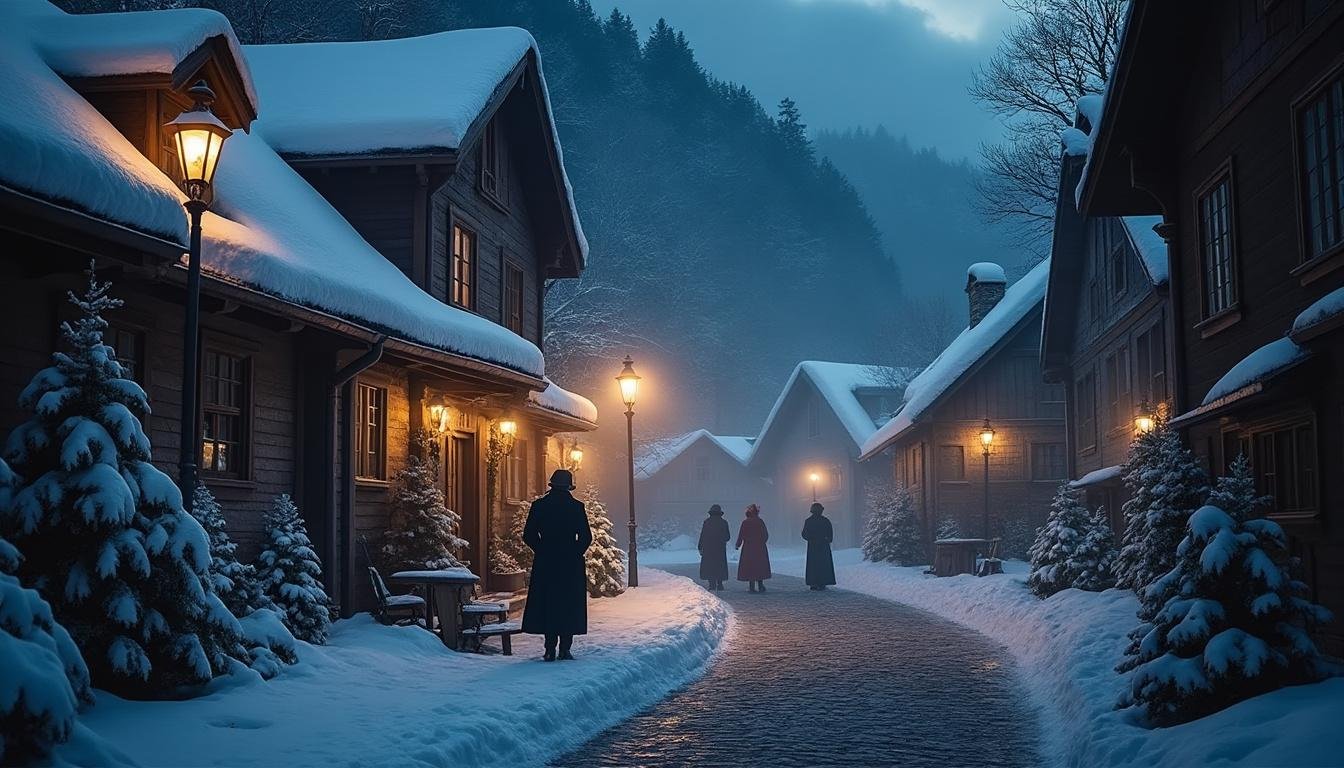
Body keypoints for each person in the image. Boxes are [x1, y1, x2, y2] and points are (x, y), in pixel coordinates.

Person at [521, 469, 592, 661]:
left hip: (546, 562)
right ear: (569, 486)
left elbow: (528, 534)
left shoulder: (539, 506)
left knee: (548, 603)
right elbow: (586, 536)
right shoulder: (576, 507)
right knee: (568, 604)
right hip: (570, 564)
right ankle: (565, 649)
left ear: (552, 485)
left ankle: (549, 648)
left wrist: (541, 549)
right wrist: (575, 553)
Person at [735, 504, 771, 593]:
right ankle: (760, 585)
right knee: (759, 566)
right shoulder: (760, 521)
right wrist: (761, 542)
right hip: (760, 548)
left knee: (750, 567)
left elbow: (741, 534)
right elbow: (765, 535)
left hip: (749, 548)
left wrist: (738, 544)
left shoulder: (745, 522)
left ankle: (752, 587)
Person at [801, 502, 836, 591]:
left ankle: (813, 582)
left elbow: (804, 534)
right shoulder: (825, 521)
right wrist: (827, 539)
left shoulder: (808, 521)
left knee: (813, 565)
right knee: (823, 564)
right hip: (823, 546)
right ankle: (822, 582)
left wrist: (811, 539)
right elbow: (830, 534)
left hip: (813, 547)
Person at [698, 504, 731, 591]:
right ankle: (720, 584)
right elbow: (727, 537)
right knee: (720, 565)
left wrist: (700, 547)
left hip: (708, 548)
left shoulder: (707, 522)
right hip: (720, 549)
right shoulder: (724, 523)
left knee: (710, 565)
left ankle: (711, 584)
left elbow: (703, 535)